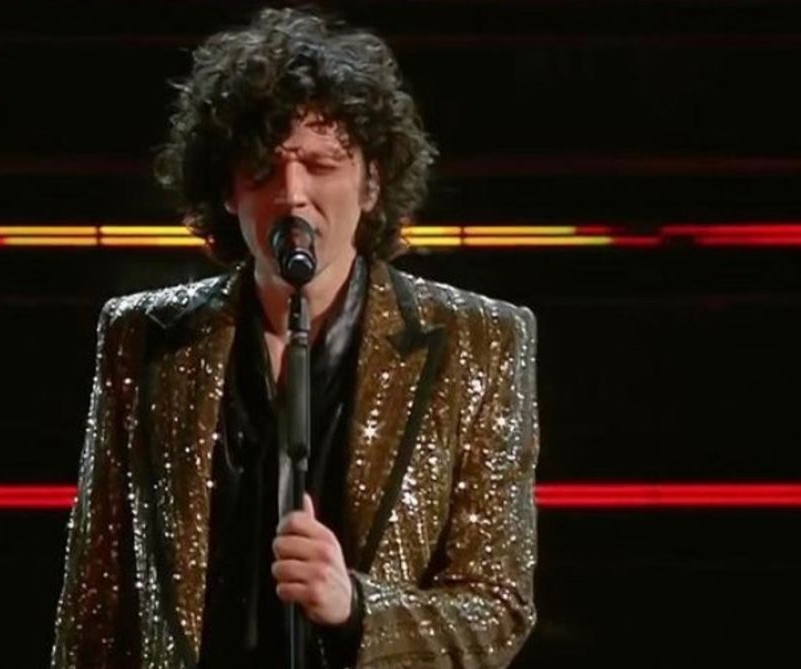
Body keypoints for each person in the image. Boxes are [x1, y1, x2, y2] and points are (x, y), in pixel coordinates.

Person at [52, 7, 538, 669]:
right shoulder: (142, 338)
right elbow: (94, 608)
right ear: (227, 189)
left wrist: (355, 606)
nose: (292, 194)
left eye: (321, 164)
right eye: (263, 169)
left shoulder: (479, 340)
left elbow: (498, 610)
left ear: (371, 182)